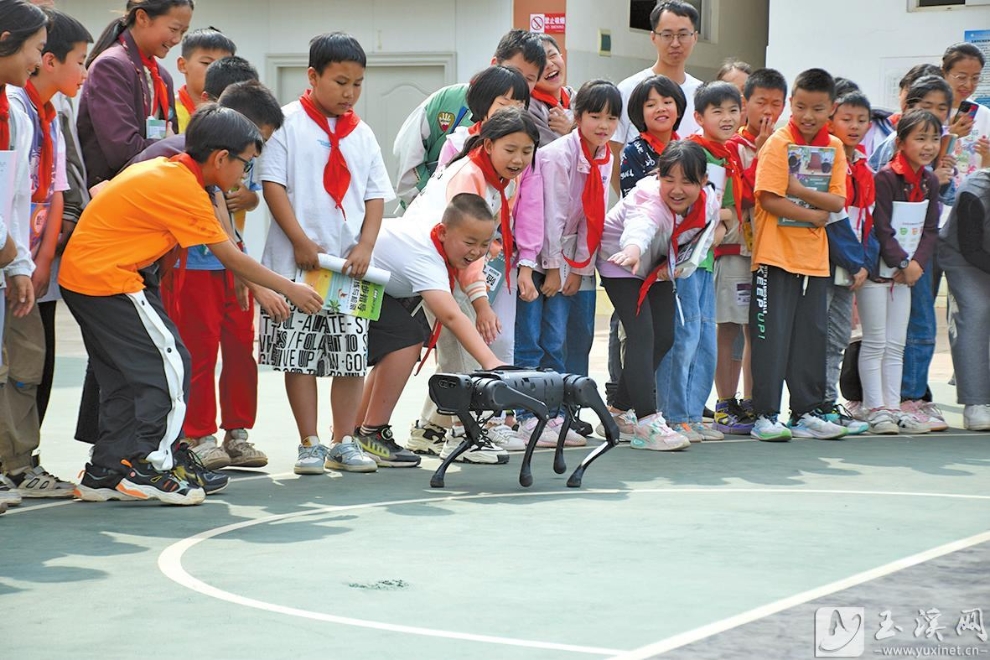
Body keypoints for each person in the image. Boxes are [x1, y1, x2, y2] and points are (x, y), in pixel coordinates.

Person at [61, 105, 323, 505]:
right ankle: (149, 465)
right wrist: (289, 288)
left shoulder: (169, 170)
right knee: (171, 365)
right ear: (221, 158)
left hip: (86, 278)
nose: (244, 176)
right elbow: (230, 256)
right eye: (245, 165)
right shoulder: (182, 186)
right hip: (110, 279)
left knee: (121, 378)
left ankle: (105, 471)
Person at [260, 32, 400, 473]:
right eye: (340, 82)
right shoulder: (286, 125)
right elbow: (272, 185)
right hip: (296, 266)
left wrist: (365, 245)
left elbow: (377, 196)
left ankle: (344, 441)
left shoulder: (363, 134)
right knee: (298, 356)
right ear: (312, 76)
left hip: (349, 269)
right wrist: (300, 240)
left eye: (358, 83)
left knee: (350, 356)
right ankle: (310, 442)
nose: (350, 93)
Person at [131, 80, 286, 470]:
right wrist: (264, 285)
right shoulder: (176, 155)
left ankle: (238, 433)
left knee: (239, 351)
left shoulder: (233, 164)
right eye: (249, 149)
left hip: (232, 264)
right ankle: (198, 434)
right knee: (198, 352)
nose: (249, 161)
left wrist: (250, 199)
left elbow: (232, 222)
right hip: (190, 268)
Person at [405, 108, 540, 462]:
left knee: (456, 353)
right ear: (489, 143)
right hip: (431, 265)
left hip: (450, 266)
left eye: (527, 151)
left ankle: (431, 430)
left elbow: (474, 249)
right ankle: (465, 436)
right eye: (511, 149)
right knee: (465, 350)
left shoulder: (497, 178)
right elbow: (464, 245)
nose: (519, 159)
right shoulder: (469, 175)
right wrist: (480, 304)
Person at [0, 7, 90, 499]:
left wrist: (38, 259)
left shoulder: (51, 114)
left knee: (28, 364)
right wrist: (17, 257)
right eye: (80, 61)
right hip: (11, 254)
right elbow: (9, 193)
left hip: (27, 260)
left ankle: (19, 463)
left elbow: (55, 191)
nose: (85, 72)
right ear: (46, 60)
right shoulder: (14, 105)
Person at [514, 80, 620, 445]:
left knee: (567, 339)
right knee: (538, 340)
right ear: (577, 117)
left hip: (572, 257)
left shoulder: (604, 156)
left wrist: (578, 269)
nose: (603, 125)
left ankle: (562, 413)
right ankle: (533, 415)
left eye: (611, 117)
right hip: (540, 253)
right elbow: (553, 213)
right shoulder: (557, 154)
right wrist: (557, 268)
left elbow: (594, 216)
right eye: (594, 116)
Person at [598, 139, 719, 450]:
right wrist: (633, 251)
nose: (676, 189)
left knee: (664, 337)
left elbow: (706, 238)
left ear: (703, 182)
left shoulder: (709, 202)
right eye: (669, 179)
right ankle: (648, 422)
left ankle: (616, 413)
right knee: (642, 336)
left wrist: (677, 268)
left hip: (659, 266)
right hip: (621, 262)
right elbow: (641, 228)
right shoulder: (649, 199)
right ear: (658, 176)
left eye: (687, 181)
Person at [749, 68, 849, 442]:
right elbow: (769, 198)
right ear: (792, 103)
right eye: (802, 106)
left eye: (818, 108)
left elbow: (838, 201)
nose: (808, 116)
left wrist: (796, 188)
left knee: (811, 337)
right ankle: (765, 414)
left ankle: (806, 412)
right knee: (770, 337)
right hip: (774, 257)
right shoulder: (777, 143)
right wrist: (811, 210)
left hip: (814, 260)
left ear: (831, 109)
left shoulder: (835, 148)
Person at [658, 81, 740, 442]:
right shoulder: (691, 152)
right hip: (684, 263)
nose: (727, 118)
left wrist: (719, 224)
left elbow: (733, 213)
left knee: (705, 337)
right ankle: (673, 416)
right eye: (717, 111)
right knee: (684, 336)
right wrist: (715, 220)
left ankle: (692, 413)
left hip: (707, 261)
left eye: (733, 110)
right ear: (699, 117)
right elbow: (679, 203)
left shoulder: (730, 157)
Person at [858, 110, 941, 435]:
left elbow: (930, 229)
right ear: (902, 141)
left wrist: (916, 265)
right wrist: (903, 264)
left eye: (934, 138)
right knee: (876, 341)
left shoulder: (930, 180)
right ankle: (874, 407)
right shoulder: (885, 178)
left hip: (906, 275)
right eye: (920, 138)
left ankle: (893, 407)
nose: (928, 146)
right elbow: (880, 228)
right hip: (880, 272)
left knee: (896, 344)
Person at [393, 29, 545, 206]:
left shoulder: (525, 121)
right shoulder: (448, 100)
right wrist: (424, 201)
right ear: (495, 64)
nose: (519, 82)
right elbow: (408, 149)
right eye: (514, 71)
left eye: (530, 78)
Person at [715, 67, 787, 434]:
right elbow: (743, 194)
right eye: (761, 102)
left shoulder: (786, 144)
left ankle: (752, 402)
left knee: (756, 331)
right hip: (734, 250)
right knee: (728, 326)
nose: (768, 112)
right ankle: (724, 402)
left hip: (771, 253)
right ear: (746, 104)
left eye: (777, 104)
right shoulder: (732, 147)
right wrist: (760, 153)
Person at [0, 0, 48, 507]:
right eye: (36, 48)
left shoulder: (15, 107)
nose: (38, 61)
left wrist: (17, 265)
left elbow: (16, 194)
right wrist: (9, 249)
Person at [78, 0, 193, 187]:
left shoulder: (162, 77)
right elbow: (123, 152)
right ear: (142, 18)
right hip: (113, 194)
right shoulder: (111, 66)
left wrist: (170, 144)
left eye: (183, 32)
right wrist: (170, 144)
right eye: (174, 29)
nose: (177, 39)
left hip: (148, 188)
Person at [610, 0, 703, 191]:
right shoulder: (629, 89)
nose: (675, 43)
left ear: (695, 37)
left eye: (683, 34)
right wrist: (629, 200)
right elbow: (613, 150)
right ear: (653, 37)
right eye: (667, 35)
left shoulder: (701, 93)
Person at [820, 91, 871, 435]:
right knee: (817, 336)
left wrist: (859, 262)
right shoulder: (824, 160)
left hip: (851, 267)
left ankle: (827, 401)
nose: (854, 126)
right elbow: (831, 217)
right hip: (825, 263)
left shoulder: (864, 167)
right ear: (831, 120)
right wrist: (855, 262)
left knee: (838, 336)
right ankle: (814, 405)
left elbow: (865, 219)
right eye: (846, 118)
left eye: (861, 120)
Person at [939, 167, 990, 430]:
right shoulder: (974, 192)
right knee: (977, 312)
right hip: (964, 258)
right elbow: (971, 247)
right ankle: (976, 404)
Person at [941, 43, 989, 192]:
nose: (968, 85)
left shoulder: (985, 115)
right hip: (938, 200)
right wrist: (950, 134)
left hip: (972, 200)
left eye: (975, 78)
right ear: (944, 73)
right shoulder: (932, 111)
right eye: (961, 77)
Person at [174, 26, 235, 132]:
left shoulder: (234, 112)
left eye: (223, 65)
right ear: (182, 65)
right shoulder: (167, 109)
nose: (216, 71)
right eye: (206, 63)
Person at [527, 34, 574, 147]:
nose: (549, 64)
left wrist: (571, 129)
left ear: (562, 57)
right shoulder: (529, 108)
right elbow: (549, 155)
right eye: (539, 62)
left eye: (552, 55)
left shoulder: (578, 98)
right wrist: (574, 133)